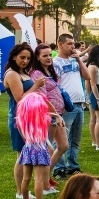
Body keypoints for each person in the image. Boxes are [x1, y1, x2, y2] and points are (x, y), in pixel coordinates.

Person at [5, 43, 47, 199]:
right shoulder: (12, 74)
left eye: (28, 58)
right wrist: (36, 85)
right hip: (19, 119)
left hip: (31, 119)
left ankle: (33, 186)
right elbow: (20, 99)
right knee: (22, 155)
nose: (25, 61)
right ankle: (20, 191)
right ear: (14, 56)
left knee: (31, 153)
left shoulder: (22, 72)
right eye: (22, 57)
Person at [28, 43, 68, 183]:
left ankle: (47, 176)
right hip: (49, 116)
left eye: (50, 55)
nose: (49, 58)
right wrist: (54, 114)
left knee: (63, 146)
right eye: (44, 55)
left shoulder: (50, 71)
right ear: (37, 58)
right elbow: (42, 98)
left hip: (58, 114)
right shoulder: (37, 74)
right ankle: (43, 180)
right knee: (47, 150)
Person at [52, 33, 91, 175]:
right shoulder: (55, 63)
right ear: (60, 44)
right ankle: (59, 168)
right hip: (66, 105)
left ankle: (73, 166)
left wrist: (79, 61)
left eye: (73, 44)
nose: (72, 47)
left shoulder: (75, 60)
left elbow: (87, 77)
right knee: (61, 140)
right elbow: (54, 86)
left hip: (80, 104)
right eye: (69, 44)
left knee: (75, 140)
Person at [16, 92, 59, 199]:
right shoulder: (45, 119)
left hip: (27, 149)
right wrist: (57, 115)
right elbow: (53, 115)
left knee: (26, 178)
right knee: (38, 178)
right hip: (40, 149)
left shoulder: (22, 120)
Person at [86, 45, 99, 151]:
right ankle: (98, 143)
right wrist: (97, 98)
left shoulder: (98, 65)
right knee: (98, 119)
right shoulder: (92, 66)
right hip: (96, 92)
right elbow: (92, 84)